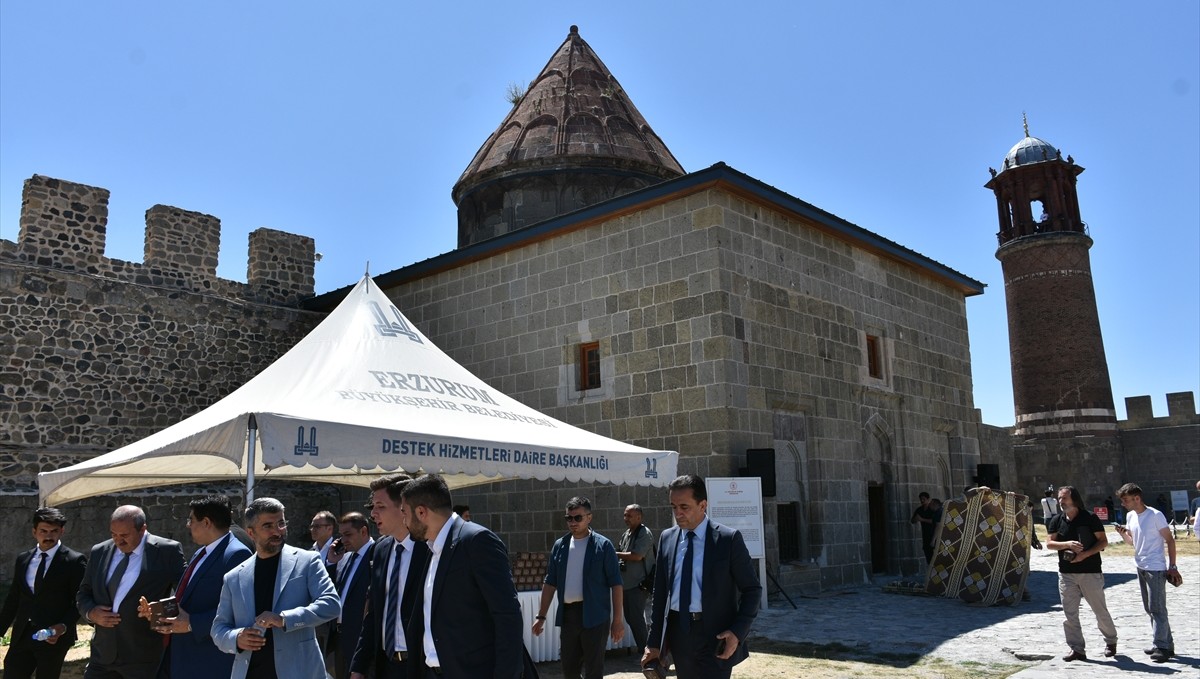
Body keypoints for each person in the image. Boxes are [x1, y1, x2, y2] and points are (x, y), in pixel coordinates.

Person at [401, 473, 524, 679]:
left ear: (421, 512)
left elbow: (507, 616)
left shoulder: (477, 541)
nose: (403, 521)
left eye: (404, 513)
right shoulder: (431, 549)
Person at [642, 474, 761, 679]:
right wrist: (653, 642)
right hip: (679, 635)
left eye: (684, 507)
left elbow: (752, 590)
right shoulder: (667, 539)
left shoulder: (727, 539)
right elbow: (659, 594)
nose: (678, 513)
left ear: (703, 505)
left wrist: (738, 632)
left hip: (716, 636)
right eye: (673, 507)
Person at [211, 497, 340, 679]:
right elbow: (218, 629)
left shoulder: (307, 561)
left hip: (300, 672)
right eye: (268, 526)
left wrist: (284, 619)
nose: (277, 531)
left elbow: (332, 605)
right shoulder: (234, 577)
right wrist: (237, 638)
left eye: (281, 523)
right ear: (251, 533)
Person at [76, 505, 185, 679]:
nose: (118, 541)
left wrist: (158, 611)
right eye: (113, 534)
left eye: (125, 535)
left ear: (143, 529)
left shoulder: (167, 551)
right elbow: (84, 593)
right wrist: (91, 613)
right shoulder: (100, 551)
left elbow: (185, 594)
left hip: (143, 657)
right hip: (103, 655)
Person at [150, 495, 252, 679]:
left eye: (191, 519)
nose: (188, 525)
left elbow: (240, 610)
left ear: (206, 522)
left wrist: (191, 624)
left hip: (207, 660)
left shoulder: (237, 554)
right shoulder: (202, 552)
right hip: (181, 655)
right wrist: (160, 612)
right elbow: (189, 598)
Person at [532, 497, 624, 679]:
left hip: (596, 615)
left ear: (589, 518)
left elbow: (616, 584)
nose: (572, 522)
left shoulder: (603, 546)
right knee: (569, 668)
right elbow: (550, 583)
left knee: (594, 669)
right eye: (569, 518)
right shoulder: (560, 546)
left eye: (577, 518)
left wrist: (617, 620)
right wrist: (541, 616)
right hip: (569, 616)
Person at [350, 474, 430, 679]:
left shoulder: (430, 550)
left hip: (423, 667)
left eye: (380, 506)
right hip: (386, 667)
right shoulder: (380, 549)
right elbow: (374, 613)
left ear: (404, 507)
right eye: (372, 507)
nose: (373, 514)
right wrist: (358, 667)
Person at [0, 507, 88, 679]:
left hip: (53, 637)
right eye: (44, 531)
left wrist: (62, 627)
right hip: (23, 633)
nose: (49, 536)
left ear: (62, 531)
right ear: (34, 532)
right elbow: (14, 599)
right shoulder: (24, 560)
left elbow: (79, 600)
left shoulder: (74, 561)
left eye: (54, 531)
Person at [1045, 486, 1117, 662]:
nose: (1061, 502)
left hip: (1090, 572)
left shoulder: (1090, 517)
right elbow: (1049, 544)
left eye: (1064, 498)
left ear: (1074, 499)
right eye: (1060, 499)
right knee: (1070, 614)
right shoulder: (1056, 520)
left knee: (1099, 610)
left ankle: (1111, 641)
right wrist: (1067, 544)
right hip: (1066, 574)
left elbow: (1103, 541)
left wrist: (1084, 554)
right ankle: (1077, 648)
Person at [1114, 483, 1177, 663]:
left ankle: (1161, 646)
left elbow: (1170, 541)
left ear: (1137, 498)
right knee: (1150, 608)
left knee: (1157, 608)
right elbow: (1133, 542)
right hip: (1140, 565)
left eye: (1126, 500)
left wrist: (1173, 566)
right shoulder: (1130, 516)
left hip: (1155, 567)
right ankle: (1166, 643)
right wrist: (1122, 534)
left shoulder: (1155, 515)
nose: (1123, 503)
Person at [326, 511, 374, 679]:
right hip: (340, 638)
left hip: (361, 639)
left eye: (348, 534)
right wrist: (331, 562)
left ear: (363, 531)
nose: (343, 540)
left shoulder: (377, 554)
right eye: (341, 535)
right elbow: (331, 590)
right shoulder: (345, 558)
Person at [615, 503, 655, 652]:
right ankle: (646, 650)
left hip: (638, 585)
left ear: (639, 517)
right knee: (631, 619)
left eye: (629, 516)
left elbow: (637, 555)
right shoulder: (627, 534)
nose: (626, 518)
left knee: (637, 619)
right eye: (625, 515)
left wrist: (615, 554)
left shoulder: (644, 533)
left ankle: (647, 652)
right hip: (626, 584)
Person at [910, 492, 937, 564]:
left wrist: (922, 519)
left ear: (928, 499)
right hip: (925, 535)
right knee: (928, 554)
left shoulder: (932, 509)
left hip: (934, 534)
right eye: (921, 499)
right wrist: (916, 519)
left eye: (924, 499)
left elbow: (935, 521)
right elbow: (912, 520)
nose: (922, 501)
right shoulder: (919, 509)